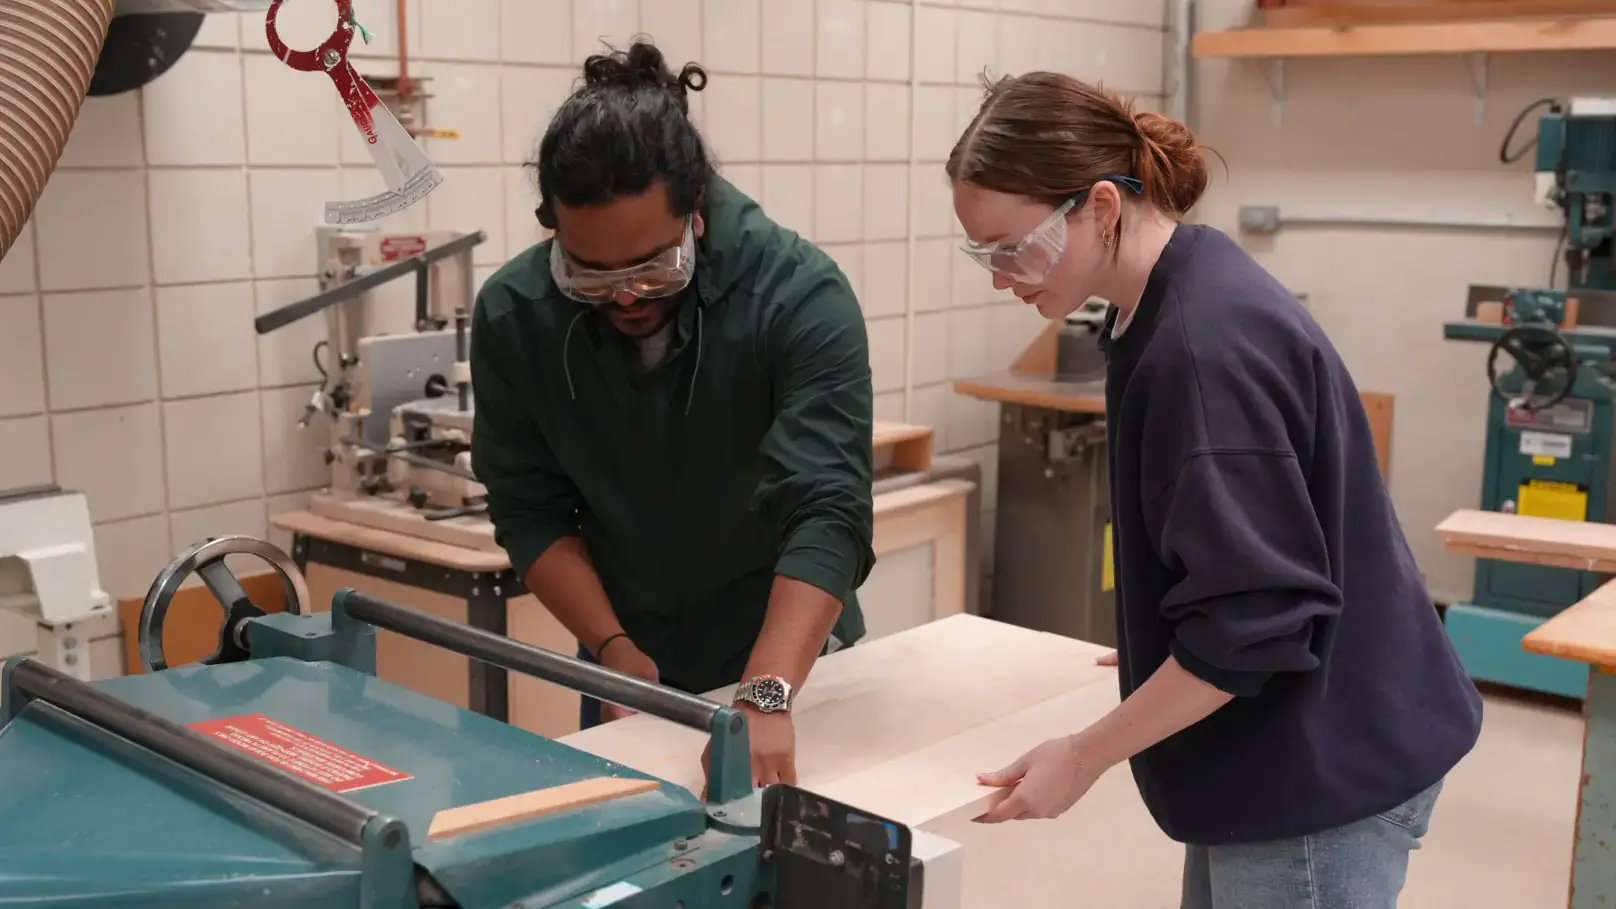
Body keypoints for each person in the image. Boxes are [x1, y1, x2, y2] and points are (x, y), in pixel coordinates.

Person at [946, 72, 1484, 908]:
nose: (999, 276)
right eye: (981, 252)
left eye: (1013, 246)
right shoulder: (1165, 295)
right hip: (1292, 738)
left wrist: (1085, 753)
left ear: (1099, 206)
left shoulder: (1200, 347)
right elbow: (1247, 563)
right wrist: (1170, 636)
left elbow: (1255, 627)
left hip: (1318, 774)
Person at [469, 40, 876, 788]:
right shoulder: (514, 315)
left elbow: (829, 507)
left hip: (789, 670)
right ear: (550, 228)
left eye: (652, 267)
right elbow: (528, 508)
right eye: (591, 274)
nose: (626, 296)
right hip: (633, 667)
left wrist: (767, 689)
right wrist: (614, 649)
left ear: (697, 212)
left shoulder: (797, 296)